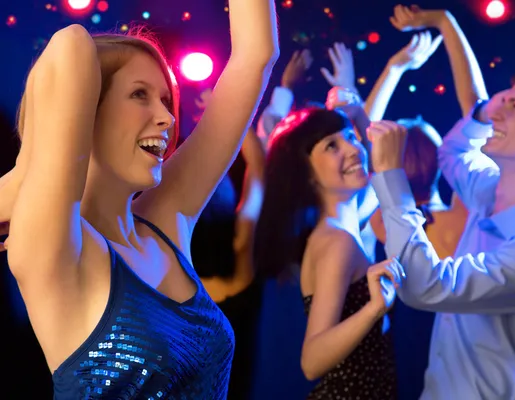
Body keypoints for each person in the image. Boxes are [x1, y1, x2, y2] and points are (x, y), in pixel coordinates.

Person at [0, 0, 279, 397]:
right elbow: (72, 44)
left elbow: (256, 56)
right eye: (139, 95)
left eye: (166, 100)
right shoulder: (55, 246)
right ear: (85, 109)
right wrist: (20, 183)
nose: (166, 117)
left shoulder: (165, 225)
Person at [367, 4, 515, 399]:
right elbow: (454, 153)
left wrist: (391, 176)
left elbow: (424, 286)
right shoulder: (489, 188)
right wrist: (446, 23)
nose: (497, 112)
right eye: (502, 100)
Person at [254, 107, 401, 399]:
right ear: (305, 172)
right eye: (331, 145)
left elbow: (383, 172)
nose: (351, 148)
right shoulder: (338, 242)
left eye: (349, 136)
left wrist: (360, 114)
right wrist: (374, 308)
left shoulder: (343, 224)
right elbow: (312, 361)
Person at [190, 89, 266, 400]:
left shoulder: (169, 264)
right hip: (239, 386)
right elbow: (258, 169)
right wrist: (225, 112)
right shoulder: (241, 250)